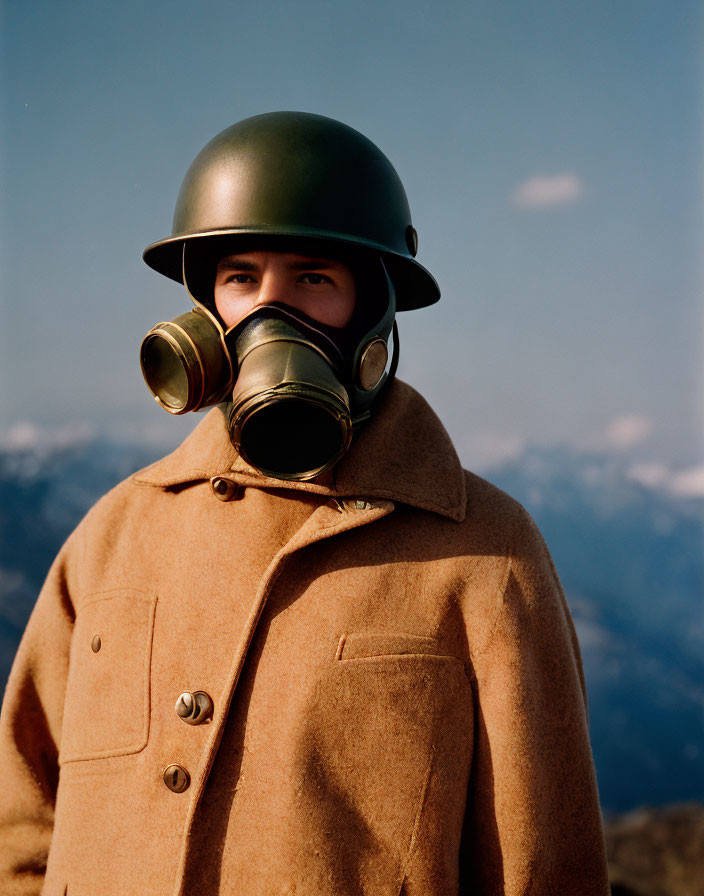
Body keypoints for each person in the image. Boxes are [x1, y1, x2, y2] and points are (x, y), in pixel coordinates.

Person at [0, 112, 610, 895]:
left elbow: (541, 865)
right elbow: (21, 827)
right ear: (204, 316)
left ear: (372, 315)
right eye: (240, 278)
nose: (269, 313)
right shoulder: (113, 535)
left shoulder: (485, 552)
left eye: (313, 279)